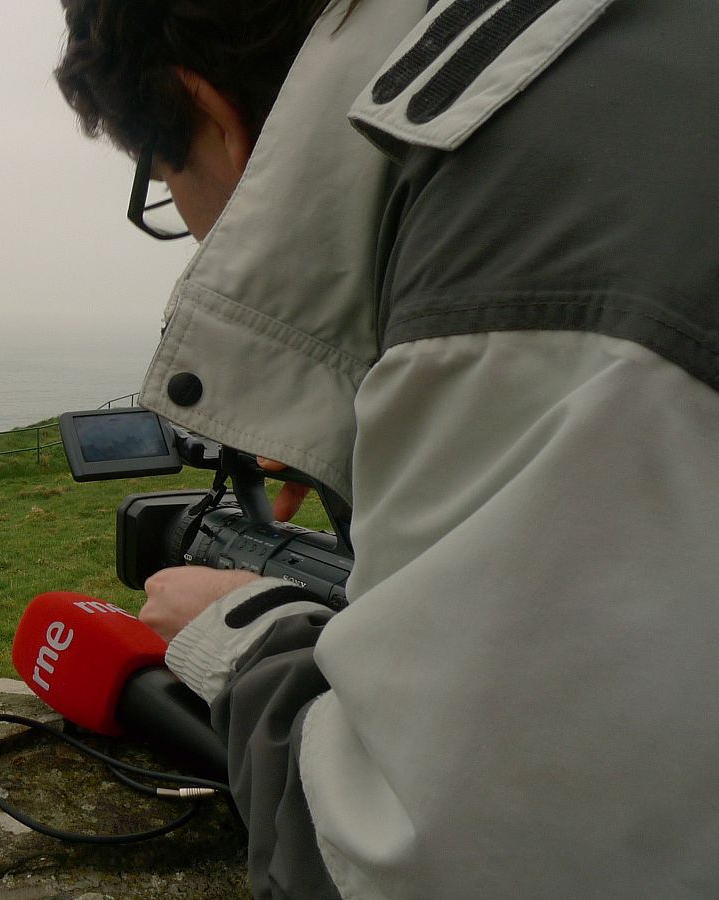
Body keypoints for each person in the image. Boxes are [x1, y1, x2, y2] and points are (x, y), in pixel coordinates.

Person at [54, 0, 719, 897]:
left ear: (207, 111)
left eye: (167, 185)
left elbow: (431, 863)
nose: (194, 228)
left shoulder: (519, 235)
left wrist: (249, 637)